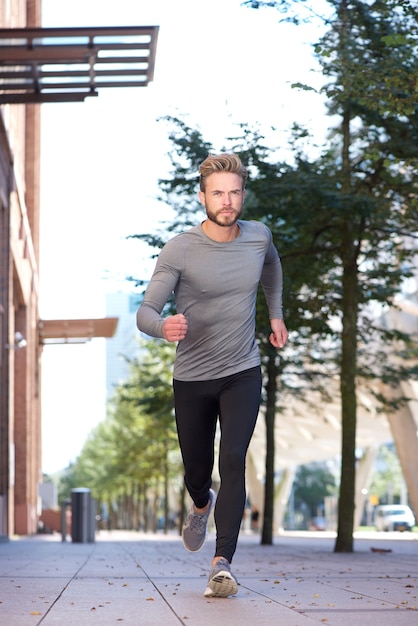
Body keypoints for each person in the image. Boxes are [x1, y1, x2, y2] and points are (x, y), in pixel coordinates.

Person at [136, 153, 288, 598]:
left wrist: (275, 315)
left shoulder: (258, 237)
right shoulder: (180, 248)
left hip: (242, 369)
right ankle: (201, 503)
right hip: (192, 377)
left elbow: (273, 269)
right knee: (197, 470)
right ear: (202, 196)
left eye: (234, 192)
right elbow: (146, 310)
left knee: (234, 458)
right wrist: (163, 327)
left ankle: (222, 563)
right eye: (218, 193)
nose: (227, 200)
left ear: (243, 194)